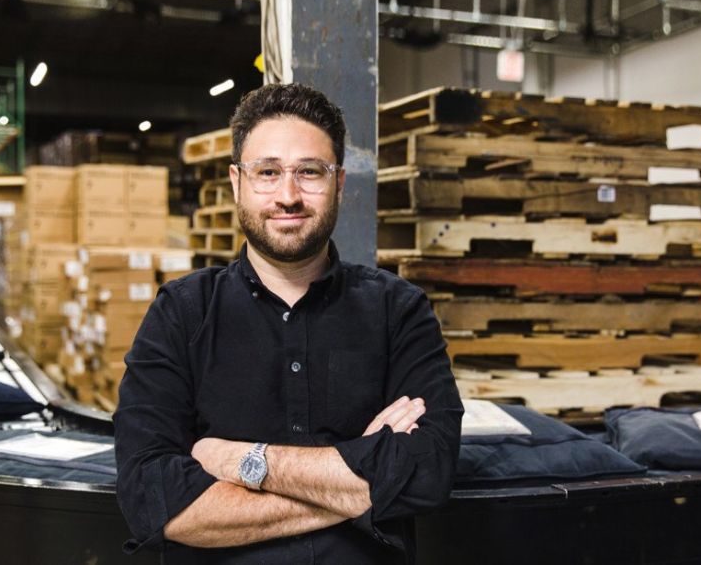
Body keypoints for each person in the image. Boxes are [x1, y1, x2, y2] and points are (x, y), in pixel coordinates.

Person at [115, 83, 463, 563]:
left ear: (339, 182)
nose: (288, 195)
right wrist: (361, 481)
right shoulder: (181, 312)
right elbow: (152, 499)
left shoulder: (398, 311)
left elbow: (427, 472)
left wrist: (243, 460)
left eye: (310, 172)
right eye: (268, 172)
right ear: (237, 182)